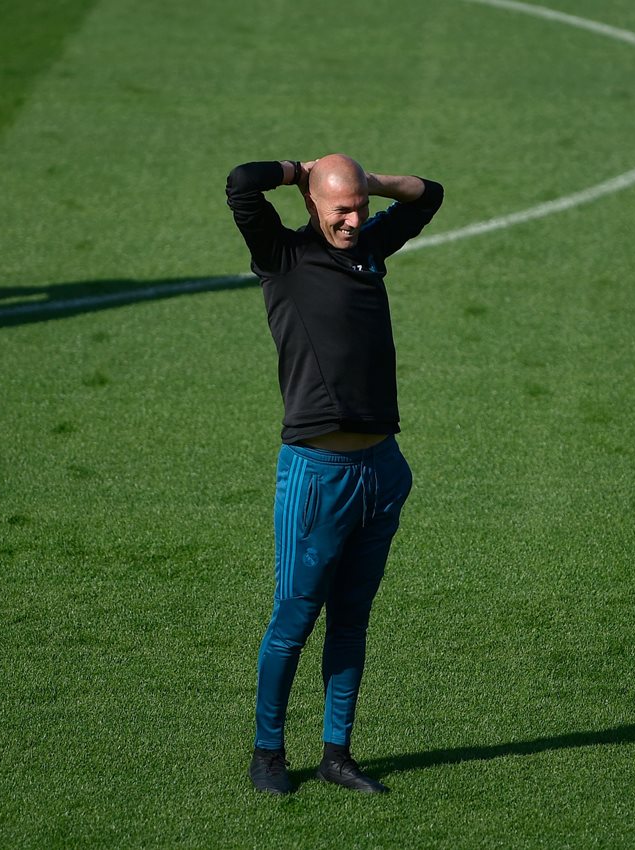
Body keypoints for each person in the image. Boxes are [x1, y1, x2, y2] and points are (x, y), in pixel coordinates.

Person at [226, 154, 444, 795]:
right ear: (312, 206)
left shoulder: (371, 246)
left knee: (352, 618)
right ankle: (268, 755)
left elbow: (429, 195)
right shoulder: (281, 256)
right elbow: (241, 181)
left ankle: (337, 755)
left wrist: (367, 182)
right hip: (318, 473)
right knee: (293, 619)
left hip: (381, 468)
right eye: (339, 208)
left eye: (358, 208)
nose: (352, 220)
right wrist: (300, 169)